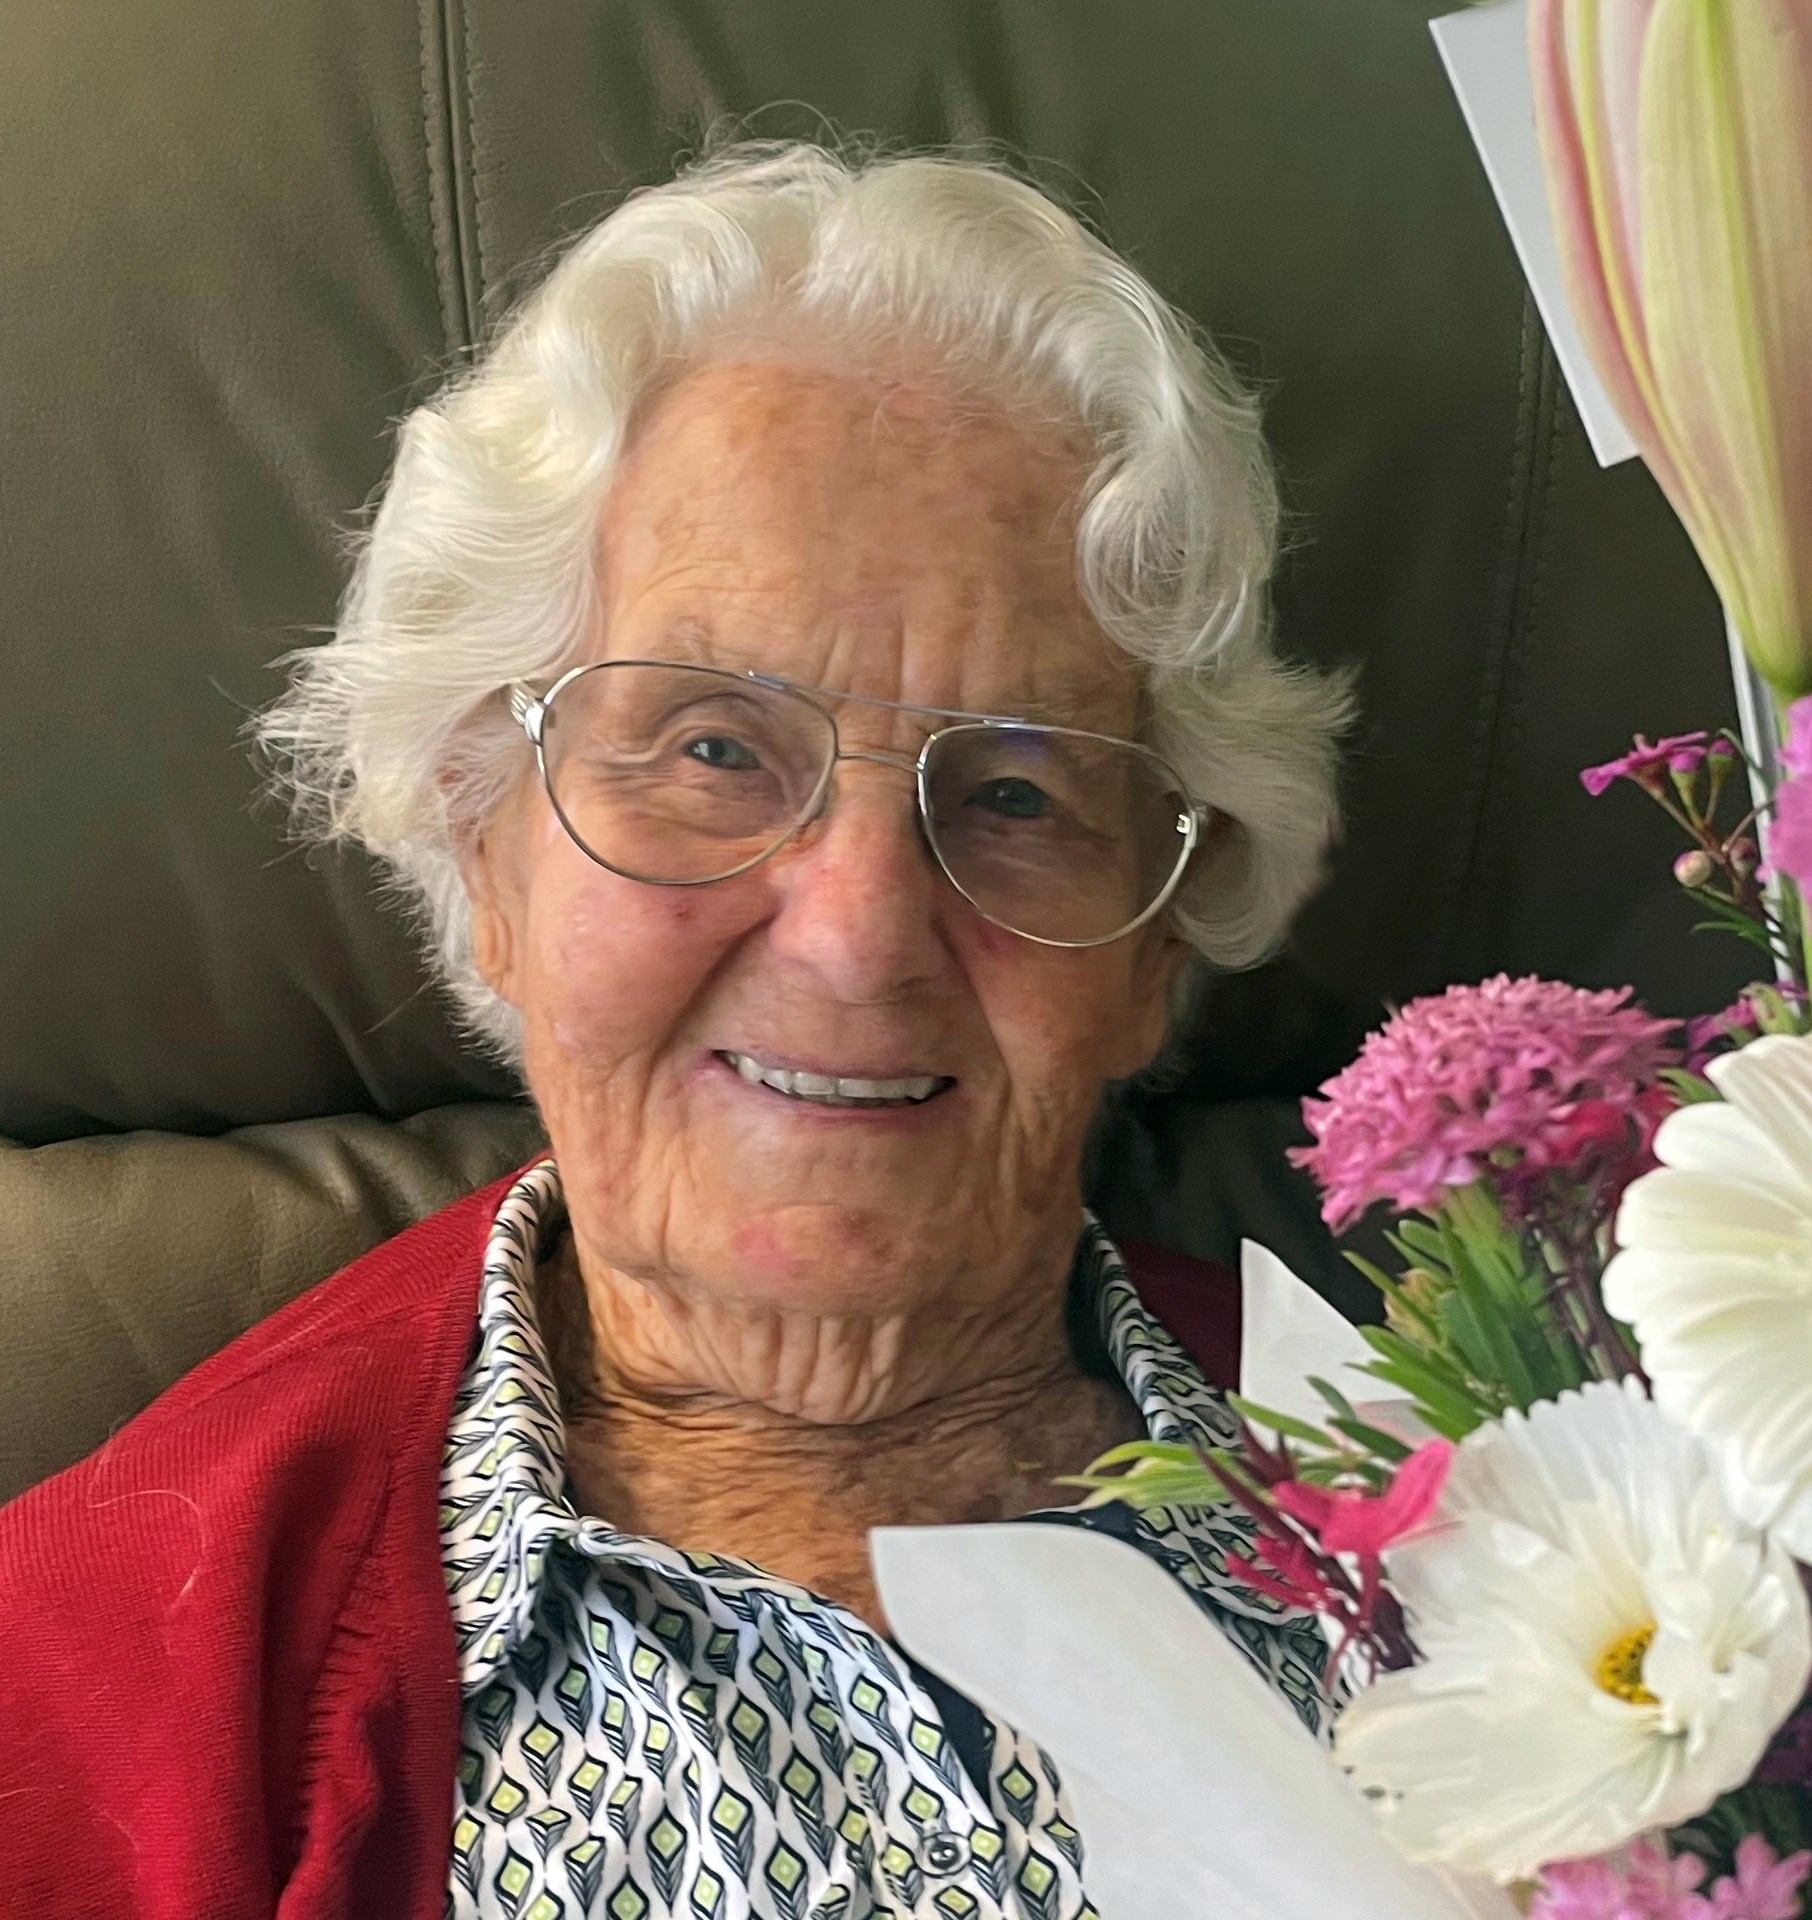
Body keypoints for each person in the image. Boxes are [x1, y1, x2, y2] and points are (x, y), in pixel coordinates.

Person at [0, 141, 1349, 1918]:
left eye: (1017, 792)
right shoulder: (85, 1698)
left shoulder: (1505, 1507)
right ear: (481, 837)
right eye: (713, 750)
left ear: (1160, 937)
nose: (860, 938)